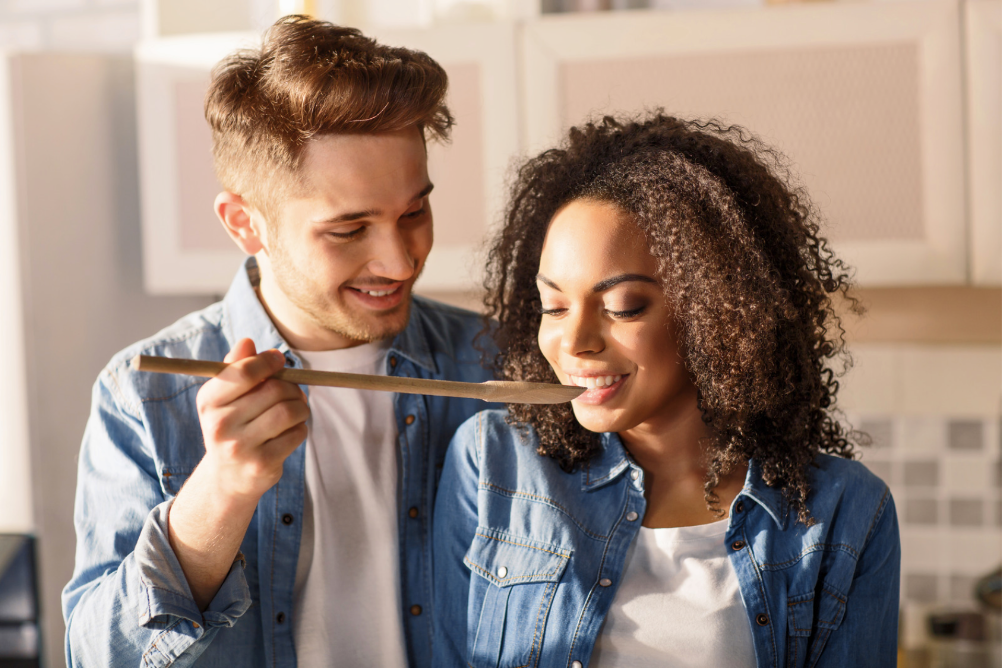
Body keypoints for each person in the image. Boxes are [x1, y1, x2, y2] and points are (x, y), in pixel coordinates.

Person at [62, 16, 495, 668]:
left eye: (414, 213)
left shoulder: (495, 364)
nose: (401, 261)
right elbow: (100, 657)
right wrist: (221, 494)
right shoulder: (145, 394)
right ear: (244, 224)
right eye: (349, 230)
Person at [432, 114, 901, 667]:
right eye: (554, 306)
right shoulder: (491, 464)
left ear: (714, 312)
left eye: (623, 307)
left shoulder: (845, 512)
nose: (575, 341)